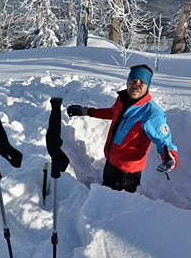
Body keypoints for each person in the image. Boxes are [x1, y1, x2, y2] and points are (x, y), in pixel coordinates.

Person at [66, 64, 179, 193]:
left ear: (148, 86)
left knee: (116, 207)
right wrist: (87, 111)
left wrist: (170, 158)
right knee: (105, 197)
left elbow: (164, 141)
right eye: (133, 81)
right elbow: (113, 113)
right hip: (112, 161)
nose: (136, 85)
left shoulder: (151, 114)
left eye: (141, 82)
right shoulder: (123, 99)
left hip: (127, 172)